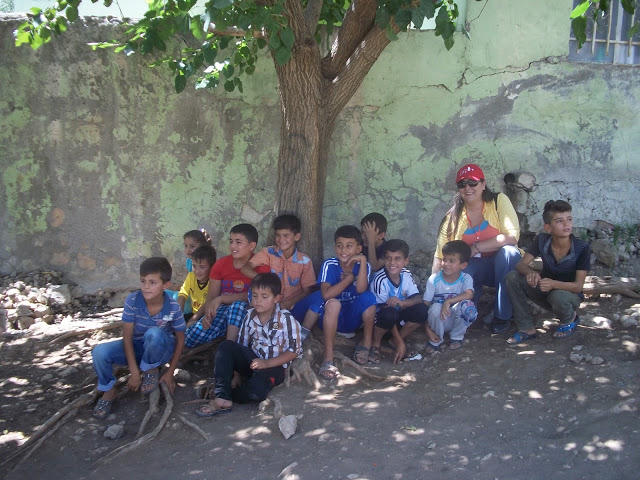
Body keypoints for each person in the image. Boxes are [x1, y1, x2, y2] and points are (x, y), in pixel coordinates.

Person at [195, 273, 302, 417]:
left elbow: (294, 351)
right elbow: (241, 346)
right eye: (255, 295)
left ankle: (225, 394)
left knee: (256, 392)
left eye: (264, 297)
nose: (258, 301)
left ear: (276, 298)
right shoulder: (250, 315)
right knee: (226, 346)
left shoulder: (286, 319)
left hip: (274, 368)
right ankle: (222, 395)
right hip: (254, 362)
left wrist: (266, 363)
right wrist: (236, 375)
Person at [91, 257, 186, 419]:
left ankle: (151, 369)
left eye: (152, 282)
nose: (146, 287)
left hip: (161, 348)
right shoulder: (133, 301)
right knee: (99, 352)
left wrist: (170, 372)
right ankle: (109, 391)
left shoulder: (173, 307)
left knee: (154, 333)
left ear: (166, 285)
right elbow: (127, 338)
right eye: (143, 281)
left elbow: (181, 339)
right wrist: (134, 372)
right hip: (138, 346)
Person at [433, 163, 521, 334]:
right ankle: (466, 316)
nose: (467, 188)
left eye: (472, 183)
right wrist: (433, 290)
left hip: (501, 264)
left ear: (483, 184)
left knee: (509, 252)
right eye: (462, 184)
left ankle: (502, 315)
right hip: (475, 267)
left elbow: (512, 236)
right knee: (461, 268)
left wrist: (475, 247)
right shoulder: (452, 217)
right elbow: (440, 255)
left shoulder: (498, 201)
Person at [505, 200, 591, 345]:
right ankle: (526, 328)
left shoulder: (582, 248)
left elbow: (578, 286)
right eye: (559, 221)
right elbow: (521, 264)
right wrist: (530, 272)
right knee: (512, 277)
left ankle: (570, 319)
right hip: (545, 290)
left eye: (569, 219)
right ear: (548, 227)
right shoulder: (542, 240)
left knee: (558, 295)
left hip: (568, 297)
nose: (566, 224)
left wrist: (553, 284)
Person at [302, 225, 377, 379]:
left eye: (349, 246)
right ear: (335, 247)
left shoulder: (364, 266)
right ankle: (328, 357)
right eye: (339, 246)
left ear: (358, 249)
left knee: (369, 297)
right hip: (330, 318)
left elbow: (362, 290)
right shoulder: (330, 265)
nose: (344, 250)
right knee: (333, 303)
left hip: (351, 319)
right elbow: (326, 294)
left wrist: (362, 261)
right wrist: (350, 278)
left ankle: (366, 344)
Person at [184, 224, 270, 349]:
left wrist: (222, 298)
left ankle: (229, 349)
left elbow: (253, 297)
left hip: (249, 313)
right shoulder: (221, 264)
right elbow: (212, 296)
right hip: (222, 311)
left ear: (251, 246)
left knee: (237, 306)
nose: (232, 246)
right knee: (190, 337)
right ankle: (219, 337)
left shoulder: (261, 266)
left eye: (238, 242)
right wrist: (205, 315)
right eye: (231, 241)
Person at [240, 214, 316, 324]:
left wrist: (289, 303)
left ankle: (300, 334)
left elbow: (306, 291)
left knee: (316, 300)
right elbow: (245, 269)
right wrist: (265, 280)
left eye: (286, 235)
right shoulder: (269, 252)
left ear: (297, 237)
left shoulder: (305, 261)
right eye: (278, 235)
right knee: (255, 301)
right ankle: (256, 333)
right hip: (269, 305)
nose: (281, 240)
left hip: (293, 307)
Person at [369, 239, 434, 363]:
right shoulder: (380, 279)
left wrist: (403, 303)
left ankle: (393, 340)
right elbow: (386, 312)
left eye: (397, 258)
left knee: (422, 310)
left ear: (406, 261)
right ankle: (376, 345)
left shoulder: (406, 275)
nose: (392, 262)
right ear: (384, 259)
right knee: (390, 313)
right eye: (388, 258)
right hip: (380, 322)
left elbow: (417, 298)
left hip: (398, 319)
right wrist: (400, 342)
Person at [424, 241, 477, 353]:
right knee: (435, 308)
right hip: (438, 321)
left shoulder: (466, 278)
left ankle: (457, 336)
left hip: (454, 319)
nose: (446, 264)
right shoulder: (434, 279)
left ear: (463, 265)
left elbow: (469, 294)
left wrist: (448, 302)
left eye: (452, 261)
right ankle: (436, 340)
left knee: (469, 307)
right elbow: (424, 306)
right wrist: (427, 329)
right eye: (444, 259)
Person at [178, 245, 217, 325]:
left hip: (206, 316)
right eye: (194, 266)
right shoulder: (191, 276)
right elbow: (183, 294)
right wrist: (178, 315)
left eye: (202, 267)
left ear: (212, 267)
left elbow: (207, 304)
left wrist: (192, 320)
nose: (197, 271)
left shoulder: (214, 281)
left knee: (192, 326)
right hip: (193, 314)